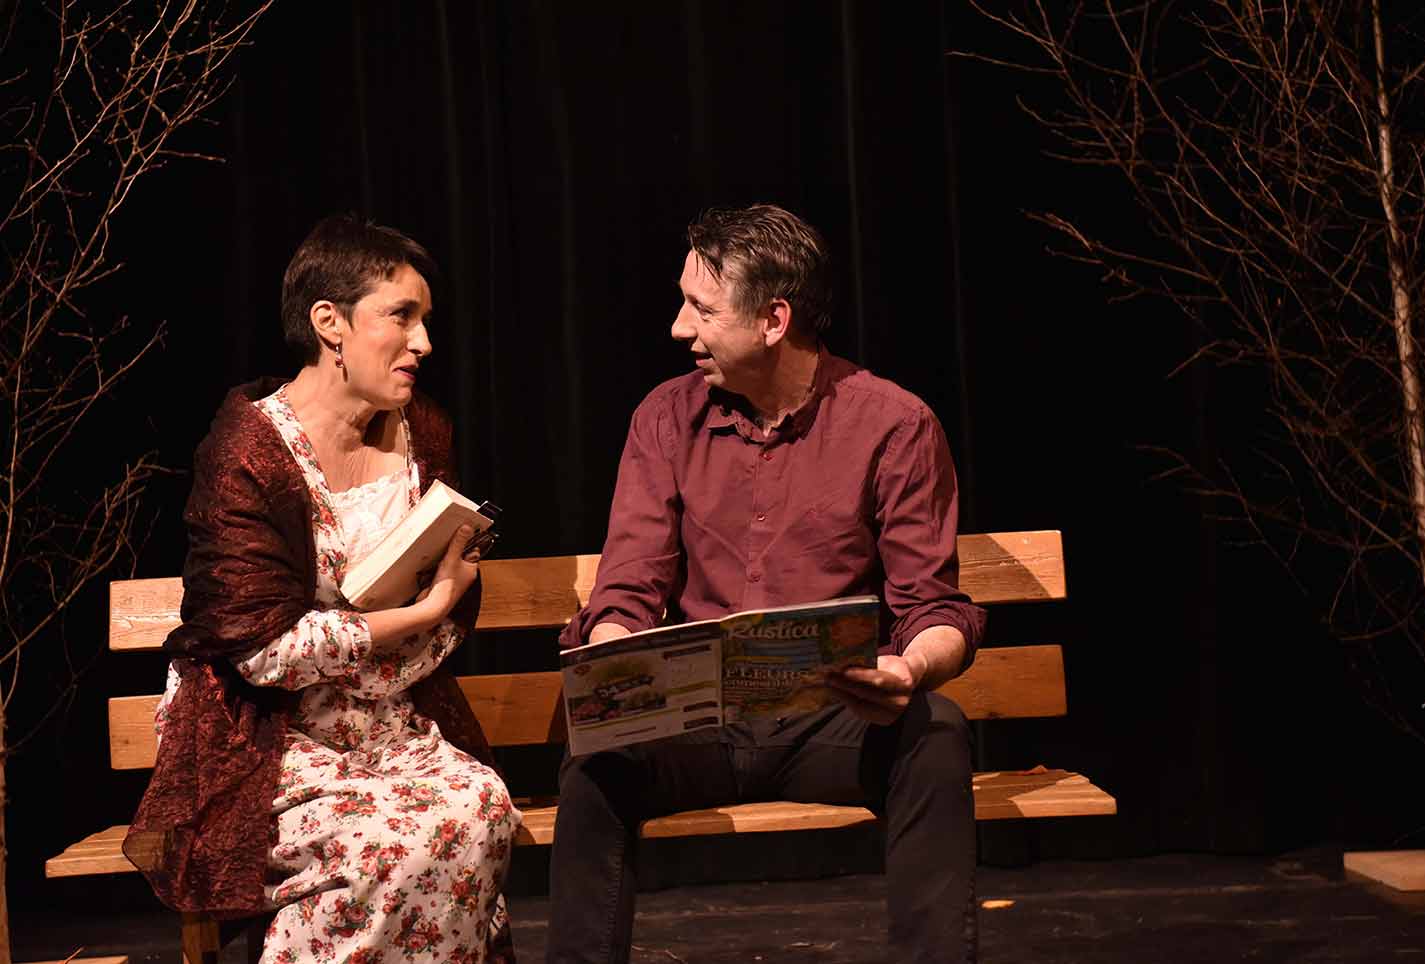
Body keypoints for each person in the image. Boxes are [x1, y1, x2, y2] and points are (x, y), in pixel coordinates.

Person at [545, 203, 987, 964]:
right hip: (700, 722)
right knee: (595, 761)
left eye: (702, 309)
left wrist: (908, 670)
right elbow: (629, 584)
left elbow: (933, 606)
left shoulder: (893, 424)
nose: (679, 329)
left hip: (829, 721)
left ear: (774, 320)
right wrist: (613, 660)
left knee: (936, 734)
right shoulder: (666, 418)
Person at [126, 215, 520, 963]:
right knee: (383, 847)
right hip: (268, 735)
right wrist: (426, 609)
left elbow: (445, 599)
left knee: (481, 809)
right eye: (401, 316)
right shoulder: (248, 451)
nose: (423, 343)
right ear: (329, 323)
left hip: (389, 720)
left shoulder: (423, 432)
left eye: (426, 320)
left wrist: (436, 605)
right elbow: (259, 649)